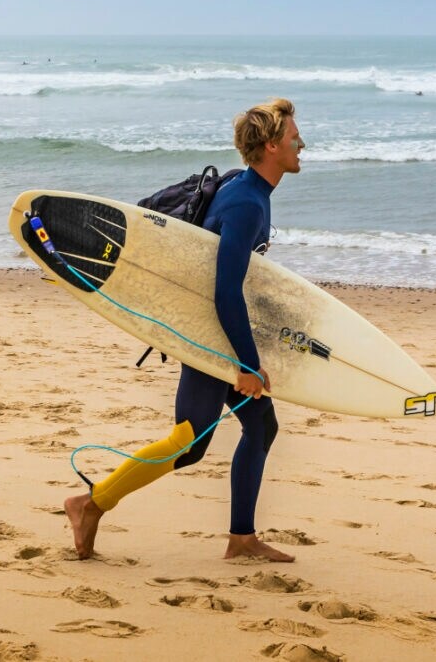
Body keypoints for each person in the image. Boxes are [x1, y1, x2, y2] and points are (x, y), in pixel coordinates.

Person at [65, 98, 305, 562]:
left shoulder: (245, 185)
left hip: (208, 328)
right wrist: (247, 364)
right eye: (295, 136)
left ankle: (242, 538)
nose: (302, 143)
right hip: (207, 332)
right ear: (272, 145)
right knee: (190, 441)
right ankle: (89, 504)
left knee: (259, 426)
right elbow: (225, 291)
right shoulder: (247, 204)